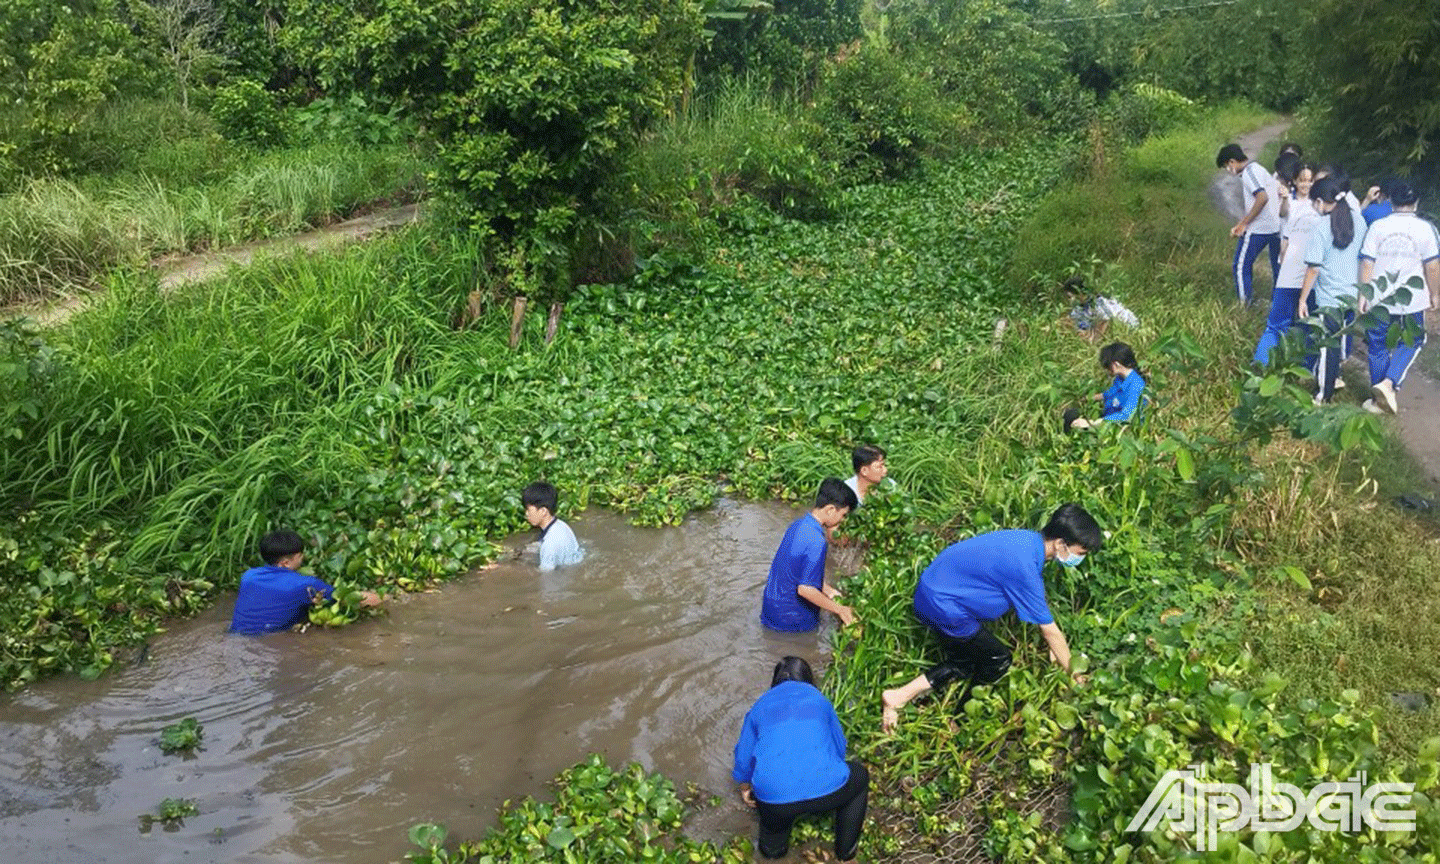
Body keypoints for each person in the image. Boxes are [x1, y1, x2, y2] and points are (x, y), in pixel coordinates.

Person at [881, 504, 1102, 731]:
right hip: (944, 605)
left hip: (934, 590)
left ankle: (898, 697)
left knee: (966, 660)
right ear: (1060, 544)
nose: (1079, 558)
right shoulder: (1024, 565)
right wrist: (1073, 674)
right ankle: (959, 720)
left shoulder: (1027, 541)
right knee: (998, 659)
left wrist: (1057, 653)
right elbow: (1049, 630)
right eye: (1080, 553)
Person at [733, 656, 868, 861]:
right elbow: (840, 747)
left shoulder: (760, 706)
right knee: (860, 776)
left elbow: (743, 759)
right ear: (808, 678)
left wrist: (744, 788)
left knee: (771, 847)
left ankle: (773, 853)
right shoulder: (818, 699)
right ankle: (845, 852)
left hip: (775, 800)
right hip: (829, 791)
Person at [1357, 180, 1440, 414]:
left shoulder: (1378, 227)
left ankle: (1378, 401)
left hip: (1378, 297)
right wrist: (1435, 294)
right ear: (1416, 203)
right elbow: (1432, 266)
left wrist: (1364, 293)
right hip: (1411, 299)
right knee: (1413, 341)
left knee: (1377, 344)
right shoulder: (1427, 228)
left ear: (1390, 201)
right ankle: (1389, 383)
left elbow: (1367, 262)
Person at [230, 530, 380, 634]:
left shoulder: (248, 576)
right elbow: (349, 597)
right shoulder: (304, 584)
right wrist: (386, 598)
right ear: (285, 563)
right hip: (273, 640)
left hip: (235, 635)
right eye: (300, 556)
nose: (303, 559)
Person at [1298, 177, 1367, 405]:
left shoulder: (1321, 227)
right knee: (1337, 345)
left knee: (1328, 347)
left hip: (1328, 298)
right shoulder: (1359, 220)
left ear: (1320, 201)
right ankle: (1331, 381)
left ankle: (1322, 396)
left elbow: (1313, 269)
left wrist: (1303, 299)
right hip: (1350, 295)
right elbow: (1363, 260)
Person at [761, 478, 858, 631]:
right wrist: (840, 609)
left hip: (771, 611)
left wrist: (829, 591)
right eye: (844, 515)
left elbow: (795, 572)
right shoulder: (817, 541)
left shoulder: (799, 524)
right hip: (792, 620)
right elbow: (805, 589)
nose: (843, 520)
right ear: (831, 510)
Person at [1256, 157, 1321, 366]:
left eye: (1309, 180)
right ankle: (1261, 363)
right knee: (1277, 323)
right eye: (1302, 180)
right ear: (1294, 180)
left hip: (1310, 277)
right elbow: (1283, 213)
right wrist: (1283, 198)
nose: (1305, 184)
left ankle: (1305, 369)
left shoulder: (1320, 206)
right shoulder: (1290, 203)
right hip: (1289, 272)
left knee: (1308, 325)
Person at [1216, 143, 1281, 305]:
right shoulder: (1259, 169)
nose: (1228, 171)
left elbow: (1262, 197)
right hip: (1275, 227)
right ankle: (1277, 303)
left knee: (1240, 265)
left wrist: (1245, 223)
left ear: (1232, 162)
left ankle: (1244, 304)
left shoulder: (1249, 172)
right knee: (1277, 268)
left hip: (1259, 228)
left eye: (1226, 166)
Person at [1066, 342, 1146, 429]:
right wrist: (1087, 398)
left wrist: (1092, 423)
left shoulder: (1136, 385)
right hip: (1106, 418)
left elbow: (1126, 416)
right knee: (1070, 414)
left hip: (1116, 427)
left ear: (1116, 364)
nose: (1107, 370)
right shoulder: (1120, 379)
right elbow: (1109, 394)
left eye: (1108, 366)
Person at [522, 481, 583, 570]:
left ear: (543, 511)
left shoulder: (549, 545)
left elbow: (546, 576)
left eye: (529, 510)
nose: (526, 514)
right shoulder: (562, 525)